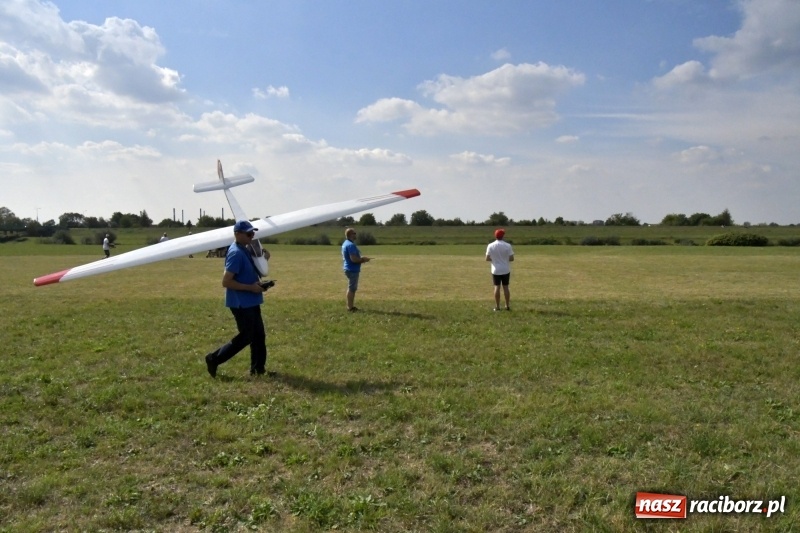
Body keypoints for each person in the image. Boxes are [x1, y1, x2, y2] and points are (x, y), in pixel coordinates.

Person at [205, 220, 273, 378]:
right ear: (237, 234)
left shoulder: (245, 249)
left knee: (258, 336)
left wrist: (264, 260)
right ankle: (213, 359)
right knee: (246, 337)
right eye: (248, 234)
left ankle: (258, 369)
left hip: (251, 300)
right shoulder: (236, 253)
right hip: (241, 303)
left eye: (253, 233)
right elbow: (226, 281)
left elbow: (248, 271)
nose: (252, 236)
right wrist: (251, 288)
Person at [485, 228, 514, 311]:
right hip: (505, 269)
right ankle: (507, 306)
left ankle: (497, 306)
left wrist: (495, 260)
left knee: (496, 287)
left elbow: (487, 258)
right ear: (503, 236)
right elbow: (511, 258)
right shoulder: (508, 245)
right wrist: (504, 259)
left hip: (495, 270)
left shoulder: (490, 245)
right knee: (506, 287)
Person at [342, 227, 370, 312]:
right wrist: (363, 260)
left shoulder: (345, 243)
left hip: (348, 268)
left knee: (351, 288)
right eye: (354, 233)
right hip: (352, 269)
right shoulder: (350, 245)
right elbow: (353, 259)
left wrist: (361, 259)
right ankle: (350, 307)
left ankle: (350, 306)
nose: (355, 235)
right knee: (352, 289)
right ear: (351, 234)